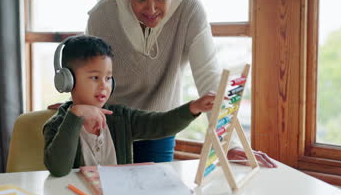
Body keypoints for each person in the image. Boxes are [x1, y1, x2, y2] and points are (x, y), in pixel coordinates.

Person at [85, 0, 277, 167]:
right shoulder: (101, 14)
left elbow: (209, 79)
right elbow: (86, 75)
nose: (151, 9)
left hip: (161, 127)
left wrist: (230, 143)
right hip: (108, 127)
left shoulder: (189, 10)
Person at [43, 35, 216, 177]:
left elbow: (160, 124)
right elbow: (59, 169)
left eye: (108, 78)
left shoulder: (121, 118)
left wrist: (194, 107)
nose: (104, 86)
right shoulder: (56, 125)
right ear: (67, 81)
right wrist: (76, 114)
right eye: (95, 78)